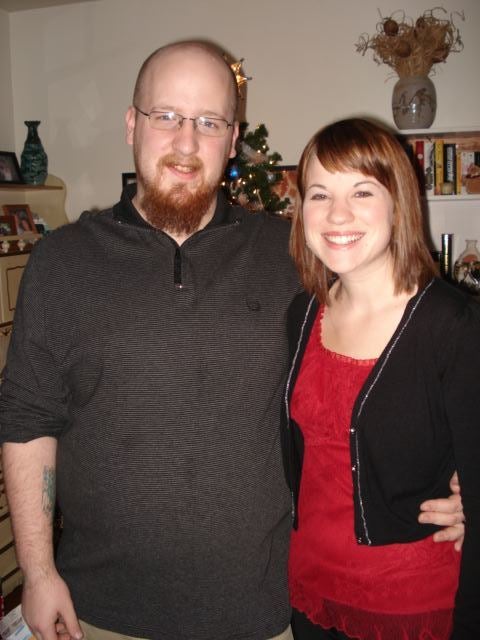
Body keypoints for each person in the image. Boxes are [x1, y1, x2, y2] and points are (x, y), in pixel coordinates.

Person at [0, 43, 464, 640]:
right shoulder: (62, 263)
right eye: (165, 115)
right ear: (131, 124)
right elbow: (27, 420)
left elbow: (398, 352)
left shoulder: (293, 252)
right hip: (100, 612)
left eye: (209, 122)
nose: (186, 143)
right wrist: (37, 573)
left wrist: (456, 479)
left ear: (233, 136)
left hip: (264, 615)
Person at [282, 118, 479, 640]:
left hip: (411, 610)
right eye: (320, 194)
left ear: (399, 202)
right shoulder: (302, 315)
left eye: (362, 191)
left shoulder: (451, 325)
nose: (337, 214)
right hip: (310, 594)